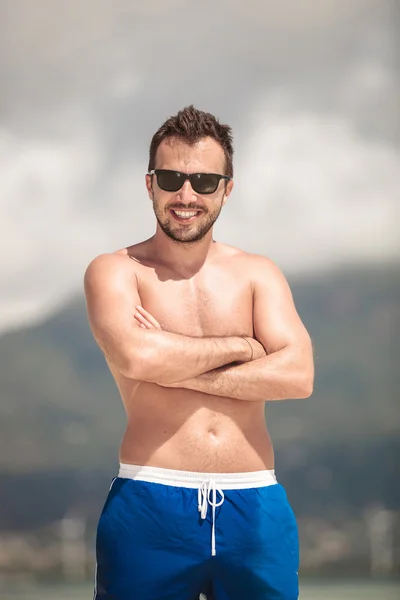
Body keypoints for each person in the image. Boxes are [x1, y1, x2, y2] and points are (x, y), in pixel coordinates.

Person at [84, 105, 314, 600]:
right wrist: (243, 348)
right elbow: (138, 360)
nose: (186, 195)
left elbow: (297, 374)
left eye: (204, 181)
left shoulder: (258, 273)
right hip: (150, 499)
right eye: (171, 178)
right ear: (150, 184)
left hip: (254, 502)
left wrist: (175, 362)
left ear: (227, 188)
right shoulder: (115, 271)